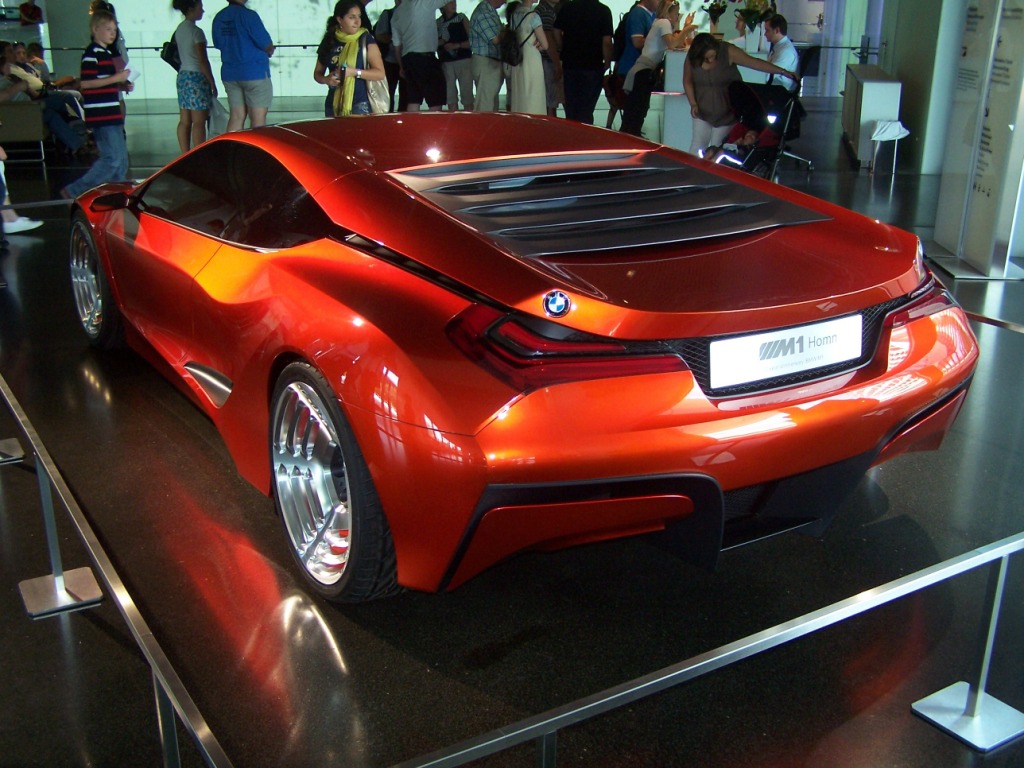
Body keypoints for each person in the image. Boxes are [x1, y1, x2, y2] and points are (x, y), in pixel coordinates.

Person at [683, 32, 796, 156]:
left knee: (719, 149)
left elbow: (754, 63)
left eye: (713, 56)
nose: (711, 60)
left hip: (727, 113)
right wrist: (693, 103)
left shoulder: (727, 51)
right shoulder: (692, 57)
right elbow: (687, 81)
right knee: (696, 147)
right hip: (702, 112)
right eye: (706, 59)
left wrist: (782, 72)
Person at [60, 9, 134, 200]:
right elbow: (86, 83)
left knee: (120, 159)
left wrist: (121, 84)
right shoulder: (91, 54)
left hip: (111, 113)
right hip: (102, 115)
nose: (112, 33)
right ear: (95, 29)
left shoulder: (105, 54)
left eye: (114, 30)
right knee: (112, 159)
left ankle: (117, 193)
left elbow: (102, 81)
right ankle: (75, 190)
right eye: (108, 29)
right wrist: (116, 79)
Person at [619, 0, 694, 136]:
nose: (677, 17)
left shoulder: (659, 22)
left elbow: (675, 42)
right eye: (676, 13)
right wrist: (686, 30)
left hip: (644, 69)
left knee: (638, 108)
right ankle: (631, 136)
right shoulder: (663, 23)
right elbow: (672, 44)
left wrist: (684, 29)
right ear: (669, 13)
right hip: (643, 71)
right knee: (637, 109)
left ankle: (631, 135)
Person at [314, 0, 387, 116]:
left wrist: (354, 72)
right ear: (340, 19)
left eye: (359, 16)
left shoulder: (365, 39)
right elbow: (317, 73)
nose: (357, 22)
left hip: (360, 103)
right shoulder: (329, 40)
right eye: (352, 17)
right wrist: (326, 79)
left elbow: (380, 73)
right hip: (333, 103)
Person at [212, 0, 275, 131]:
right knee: (257, 118)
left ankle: (231, 144)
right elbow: (266, 43)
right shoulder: (249, 15)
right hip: (254, 73)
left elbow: (218, 44)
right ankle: (255, 145)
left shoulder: (219, 17)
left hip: (230, 74)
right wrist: (269, 50)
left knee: (236, 116)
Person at [553, 0, 612, 124]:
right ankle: (584, 132)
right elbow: (606, 42)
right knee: (586, 108)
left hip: (570, 63)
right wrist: (607, 62)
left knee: (571, 107)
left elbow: (556, 31)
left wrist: (563, 47)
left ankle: (571, 132)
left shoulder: (568, 7)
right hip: (593, 65)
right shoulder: (603, 10)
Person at [173, 0, 218, 153]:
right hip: (196, 78)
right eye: (200, 8)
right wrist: (212, 82)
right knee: (199, 121)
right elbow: (202, 60)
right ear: (191, 9)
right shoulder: (197, 32)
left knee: (185, 120)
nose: (203, 11)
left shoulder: (179, 29)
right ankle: (198, 154)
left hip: (183, 76)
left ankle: (184, 154)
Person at [391, 0, 448, 111]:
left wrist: (401, 66)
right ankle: (434, 122)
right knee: (435, 99)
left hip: (408, 59)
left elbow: (397, 46)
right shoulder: (423, 2)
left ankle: (412, 122)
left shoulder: (396, 14)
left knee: (413, 99)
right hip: (425, 57)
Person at [507, 0, 548, 115]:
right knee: (534, 94)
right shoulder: (534, 16)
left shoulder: (514, 15)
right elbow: (545, 45)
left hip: (518, 58)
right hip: (532, 59)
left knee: (519, 93)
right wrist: (538, 44)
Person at [437, 0, 473, 111]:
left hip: (463, 59)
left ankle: (468, 117)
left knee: (467, 94)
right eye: (450, 2)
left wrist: (457, 45)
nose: (454, 4)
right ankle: (453, 118)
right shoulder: (438, 23)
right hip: (446, 61)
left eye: (454, 2)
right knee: (450, 95)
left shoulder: (461, 18)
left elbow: (473, 40)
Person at [469, 0, 504, 112]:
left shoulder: (490, 11)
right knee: (485, 106)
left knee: (491, 105)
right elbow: (495, 39)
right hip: (485, 62)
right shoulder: (483, 13)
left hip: (491, 62)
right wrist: (509, 32)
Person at [373, 0, 403, 111]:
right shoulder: (388, 14)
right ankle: (388, 115)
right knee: (388, 92)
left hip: (406, 59)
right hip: (389, 59)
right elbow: (379, 35)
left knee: (406, 94)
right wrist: (395, 38)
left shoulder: (411, 15)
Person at [536, 0, 562, 117]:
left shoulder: (544, 10)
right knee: (550, 101)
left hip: (543, 59)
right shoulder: (546, 11)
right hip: (547, 59)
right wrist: (556, 63)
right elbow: (547, 38)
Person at [763, 14, 798, 92]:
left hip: (778, 91)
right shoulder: (779, 47)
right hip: (773, 88)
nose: (765, 34)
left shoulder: (785, 51)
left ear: (776, 30)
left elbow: (766, 75)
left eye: (767, 30)